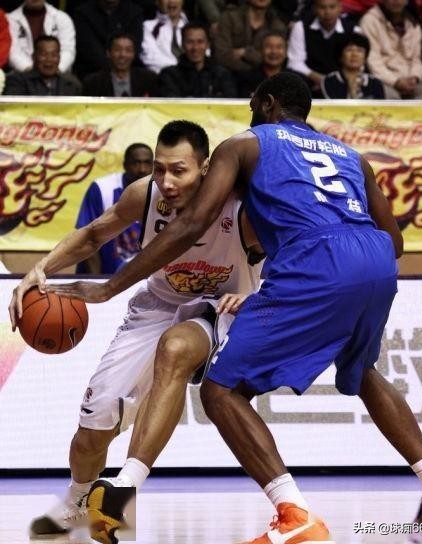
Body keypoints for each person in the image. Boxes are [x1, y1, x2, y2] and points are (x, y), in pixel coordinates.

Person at [46, 72, 422, 544]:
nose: (250, 114)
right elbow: (395, 242)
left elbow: (192, 223)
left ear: (267, 103)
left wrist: (109, 287)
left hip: (311, 262)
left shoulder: (245, 145)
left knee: (221, 390)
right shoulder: (351, 155)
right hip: (375, 259)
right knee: (364, 373)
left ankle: (294, 514)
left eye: (253, 105)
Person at [9, 120, 263, 539]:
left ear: (205, 168)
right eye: (160, 169)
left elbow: (295, 250)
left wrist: (259, 292)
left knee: (176, 350)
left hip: (220, 306)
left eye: (178, 170)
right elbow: (94, 234)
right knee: (93, 424)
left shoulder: (241, 207)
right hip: (156, 305)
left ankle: (123, 489)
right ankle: (78, 502)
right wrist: (39, 269)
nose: (166, 181)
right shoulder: (145, 195)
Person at [76, 143, 153, 274]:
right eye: (136, 163)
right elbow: (87, 238)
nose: (142, 169)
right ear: (125, 165)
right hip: (104, 276)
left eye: (147, 163)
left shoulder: (164, 191)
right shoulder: (102, 188)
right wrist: (96, 282)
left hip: (142, 279)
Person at [360, 0, 422, 99]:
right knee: (393, 98)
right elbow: (373, 61)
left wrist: (415, 77)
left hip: (409, 78)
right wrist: (396, 81)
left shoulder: (413, 22)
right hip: (383, 80)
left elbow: (417, 59)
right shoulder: (369, 21)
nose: (397, 1)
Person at [286, 0, 359, 97]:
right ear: (314, 9)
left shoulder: (353, 30)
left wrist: (333, 82)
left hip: (343, 83)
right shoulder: (301, 27)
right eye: (322, 7)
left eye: (332, 7)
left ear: (340, 8)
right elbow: (294, 63)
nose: (327, 12)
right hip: (310, 82)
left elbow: (359, 63)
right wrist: (321, 80)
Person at [159, 21, 237, 97]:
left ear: (208, 44)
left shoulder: (221, 74)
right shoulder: (170, 75)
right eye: (190, 42)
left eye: (200, 42)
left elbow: (230, 101)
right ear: (182, 44)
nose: (195, 48)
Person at [72, 0, 144, 80]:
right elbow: (90, 51)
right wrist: (115, 73)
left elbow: (134, 47)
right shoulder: (82, 13)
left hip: (128, 70)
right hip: (91, 72)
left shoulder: (134, 12)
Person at [213, 0, 287, 74]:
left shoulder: (277, 26)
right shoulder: (229, 17)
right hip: (230, 74)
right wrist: (252, 67)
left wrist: (245, 52)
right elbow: (221, 55)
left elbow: (276, 58)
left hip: (263, 76)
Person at [83, 32, 159, 98]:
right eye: (117, 49)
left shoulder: (149, 79)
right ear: (108, 53)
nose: (123, 55)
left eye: (128, 50)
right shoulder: (94, 83)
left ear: (134, 54)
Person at [7, 0, 75, 73]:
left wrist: (54, 71)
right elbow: (12, 52)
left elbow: (67, 50)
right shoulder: (9, 20)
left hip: (59, 74)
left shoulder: (62, 18)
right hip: (22, 74)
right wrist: (32, 73)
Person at [4, 35, 81, 96]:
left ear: (59, 58)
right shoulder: (17, 81)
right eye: (43, 54)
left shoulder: (71, 83)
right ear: (34, 56)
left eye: (54, 55)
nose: (49, 59)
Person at [321, 32, 385, 98]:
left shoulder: (375, 83)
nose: (354, 54)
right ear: (340, 56)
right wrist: (352, 90)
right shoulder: (331, 80)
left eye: (359, 50)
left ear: (365, 58)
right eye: (349, 50)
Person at [237, 30, 293, 98]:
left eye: (279, 47)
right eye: (269, 46)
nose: (274, 51)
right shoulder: (246, 79)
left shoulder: (295, 79)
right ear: (260, 50)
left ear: (286, 51)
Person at [140, 0, 188, 74]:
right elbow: (151, 58)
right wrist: (182, 71)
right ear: (157, 2)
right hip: (163, 77)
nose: (172, 1)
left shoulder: (193, 28)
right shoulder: (147, 27)